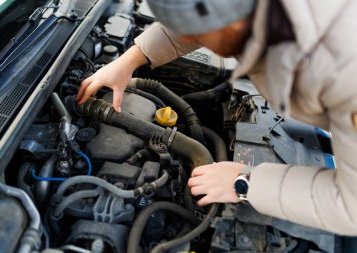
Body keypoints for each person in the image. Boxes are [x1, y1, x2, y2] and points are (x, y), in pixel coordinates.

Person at [76, 0, 357, 235]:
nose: (186, 38)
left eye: (194, 30)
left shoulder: (344, 71)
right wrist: (131, 59)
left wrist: (246, 182)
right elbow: (201, 16)